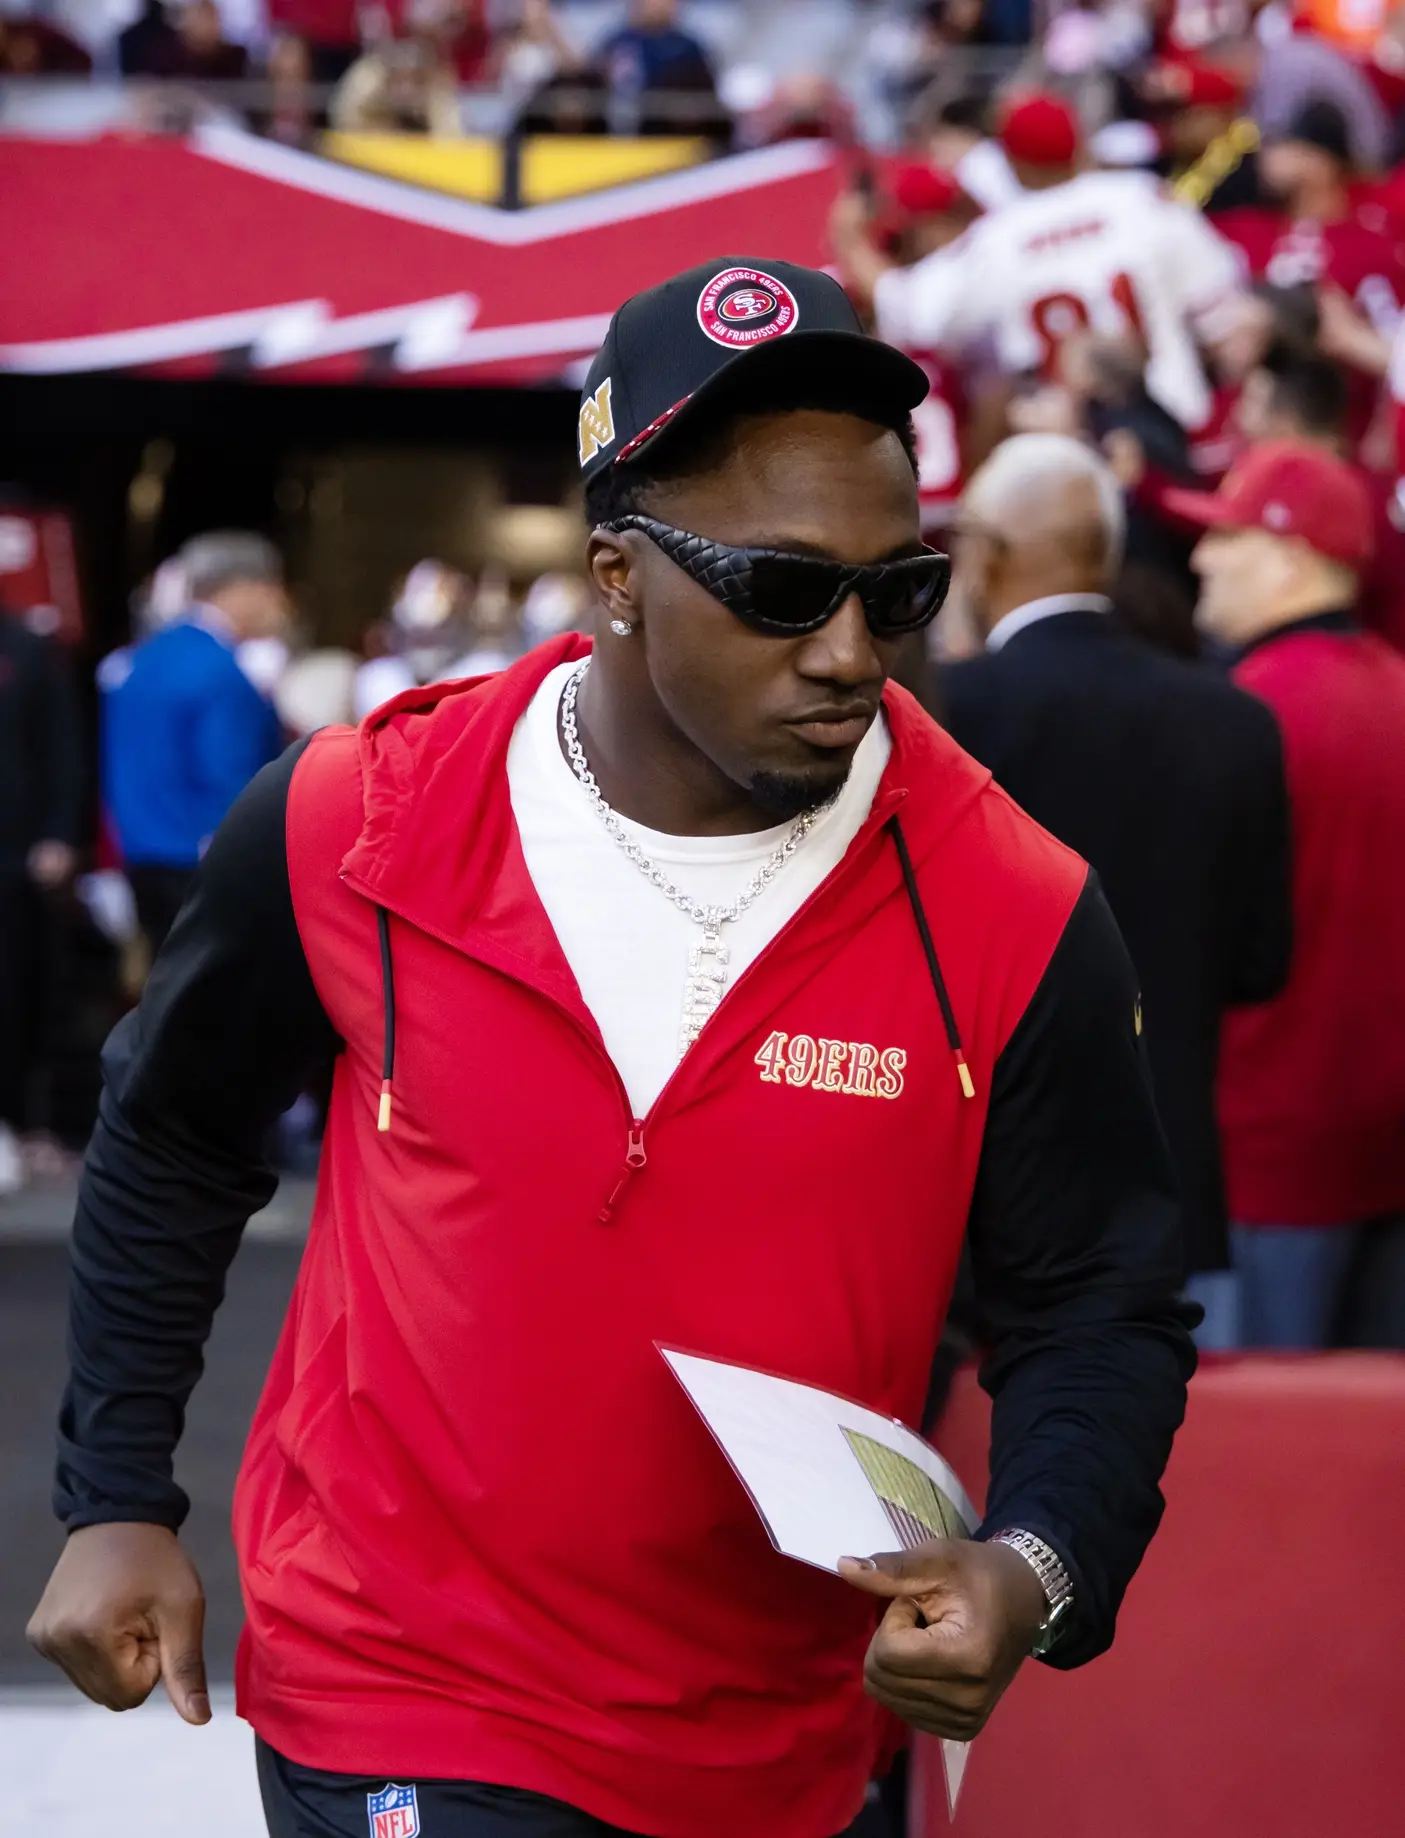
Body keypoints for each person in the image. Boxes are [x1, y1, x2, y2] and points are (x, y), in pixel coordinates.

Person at [30, 258, 1196, 1838]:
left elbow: (1099, 1301)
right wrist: (114, 1494)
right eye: (783, 591)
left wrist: (1037, 1560)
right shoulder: (353, 818)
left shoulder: (1017, 902)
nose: (851, 652)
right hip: (405, 1694)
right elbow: (170, 1133)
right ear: (617, 574)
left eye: (897, 590)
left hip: (785, 1738)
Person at [938, 434, 1291, 1344]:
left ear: (987, 552)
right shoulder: (1235, 719)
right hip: (1175, 1197)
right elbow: (1261, 963)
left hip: (979, 1216)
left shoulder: (948, 711)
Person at [1166, 441, 1405, 1346]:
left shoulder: (1243, 713)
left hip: (1266, 1158)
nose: (1199, 557)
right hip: (1386, 1150)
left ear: (1289, 553)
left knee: (1261, 1457)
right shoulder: (1394, 693)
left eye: (1223, 538)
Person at [838, 90, 1246, 435]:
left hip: (1069, 448)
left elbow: (907, 310)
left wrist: (852, 241)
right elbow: (1224, 312)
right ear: (1079, 145)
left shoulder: (996, 241)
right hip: (1172, 423)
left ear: (1012, 162)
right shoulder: (1142, 197)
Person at [102, 531, 286, 957]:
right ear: (241, 588)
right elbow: (233, 780)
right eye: (271, 586)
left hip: (141, 854)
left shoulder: (141, 659)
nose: (278, 600)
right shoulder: (221, 671)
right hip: (205, 864)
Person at [0, 613, 82, 1196]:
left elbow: (63, 749)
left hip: (16, 857)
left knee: (20, 992)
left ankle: (24, 1122)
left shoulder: (27, 650)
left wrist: (58, 833)